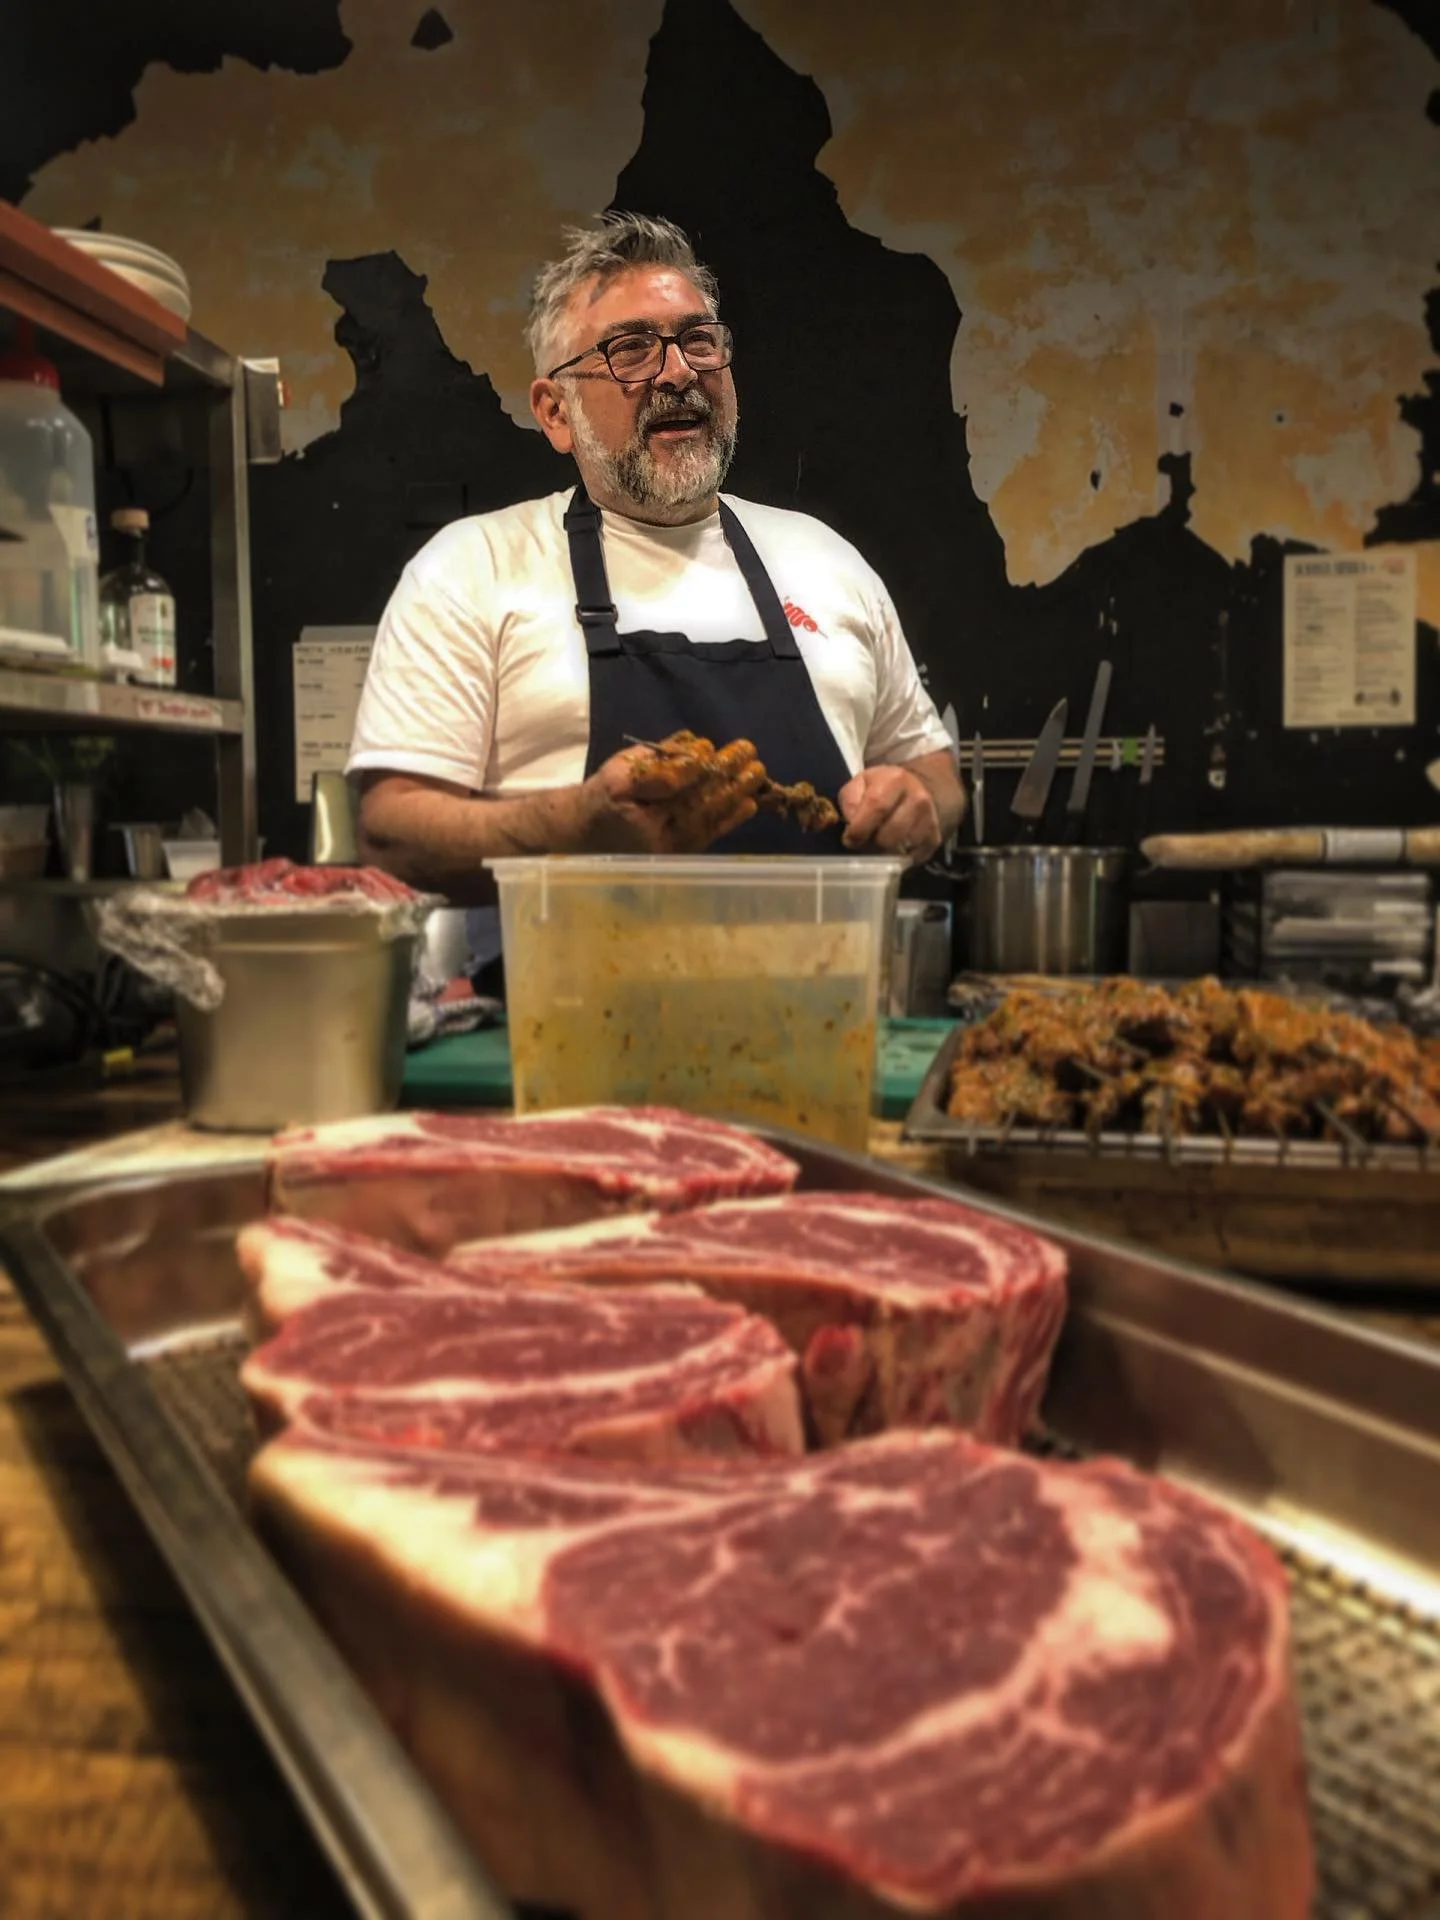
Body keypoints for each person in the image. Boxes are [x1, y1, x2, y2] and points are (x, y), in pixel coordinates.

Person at [349, 212, 964, 892]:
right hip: (570, 993)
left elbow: (934, 774)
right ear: (555, 412)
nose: (678, 372)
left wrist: (918, 803)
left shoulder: (826, 561)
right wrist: (571, 826)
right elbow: (390, 829)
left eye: (699, 341)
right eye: (631, 350)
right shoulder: (473, 568)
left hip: (822, 986)